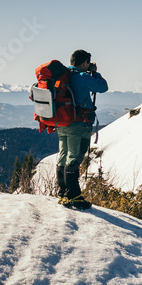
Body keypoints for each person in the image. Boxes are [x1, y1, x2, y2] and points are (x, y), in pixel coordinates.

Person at [57, 49, 108, 209]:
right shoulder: (82, 77)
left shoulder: (64, 75)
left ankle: (63, 192)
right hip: (78, 124)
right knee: (75, 157)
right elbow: (103, 87)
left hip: (62, 123)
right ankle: (74, 196)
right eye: (88, 62)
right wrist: (95, 73)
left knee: (63, 156)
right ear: (84, 62)